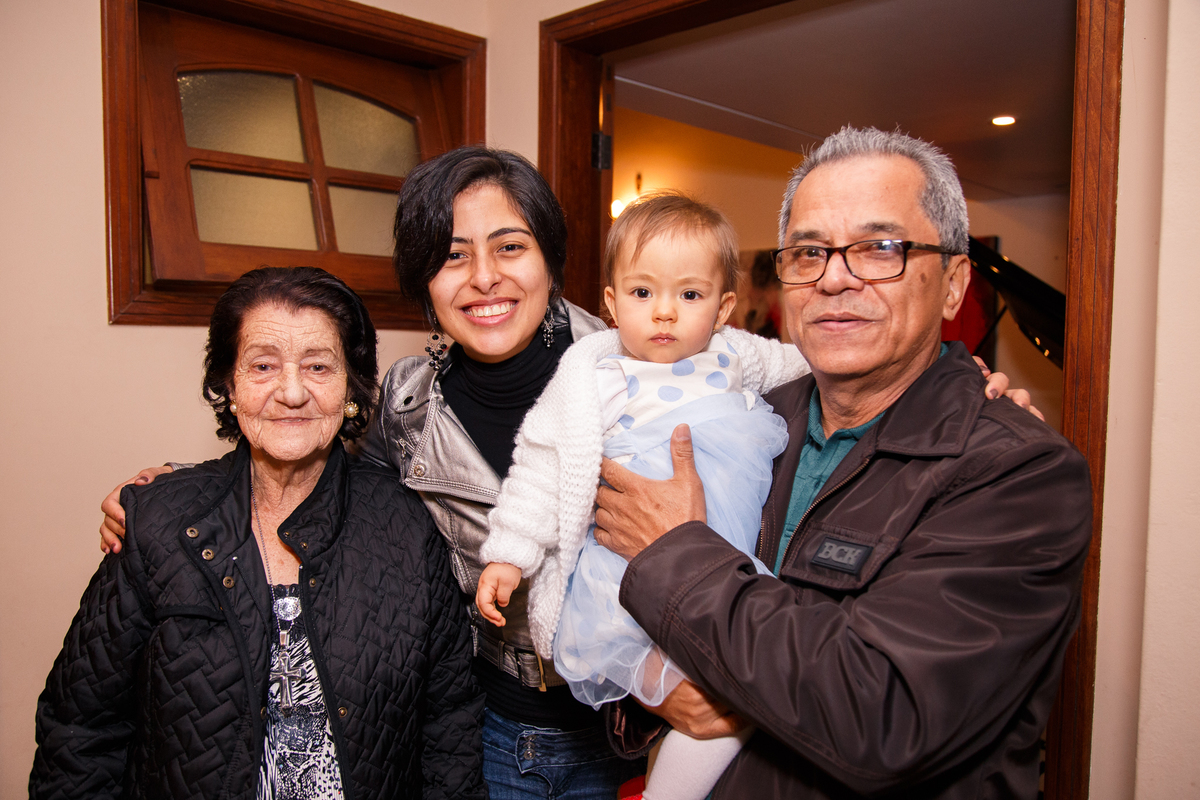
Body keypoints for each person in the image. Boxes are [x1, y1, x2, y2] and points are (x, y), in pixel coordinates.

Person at [96, 146, 1030, 799]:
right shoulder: (403, 403)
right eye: (451, 257)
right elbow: (315, 466)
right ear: (424, 282)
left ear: (553, 260)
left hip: (651, 712)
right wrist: (184, 496)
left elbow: (815, 373)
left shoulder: (645, 354)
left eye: (510, 247)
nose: (484, 278)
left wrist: (956, 379)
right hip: (489, 726)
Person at [591, 127, 1092, 799]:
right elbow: (611, 584)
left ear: (953, 284)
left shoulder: (1020, 473)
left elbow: (881, 714)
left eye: (879, 249)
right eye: (808, 252)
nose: (833, 278)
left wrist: (676, 551)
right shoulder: (749, 418)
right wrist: (649, 696)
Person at [32, 267, 485, 800]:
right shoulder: (156, 523)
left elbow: (449, 726)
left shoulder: (408, 525)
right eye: (263, 365)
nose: (291, 392)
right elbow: (80, 731)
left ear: (352, 386)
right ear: (228, 383)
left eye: (318, 366)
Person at [474, 193, 808, 800]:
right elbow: (541, 463)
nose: (663, 314)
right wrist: (509, 553)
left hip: (722, 563)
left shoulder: (737, 354)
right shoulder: (594, 375)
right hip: (623, 572)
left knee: (737, 696)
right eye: (642, 292)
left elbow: (824, 365)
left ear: (724, 306)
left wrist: (954, 378)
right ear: (610, 303)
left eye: (689, 295)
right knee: (697, 699)